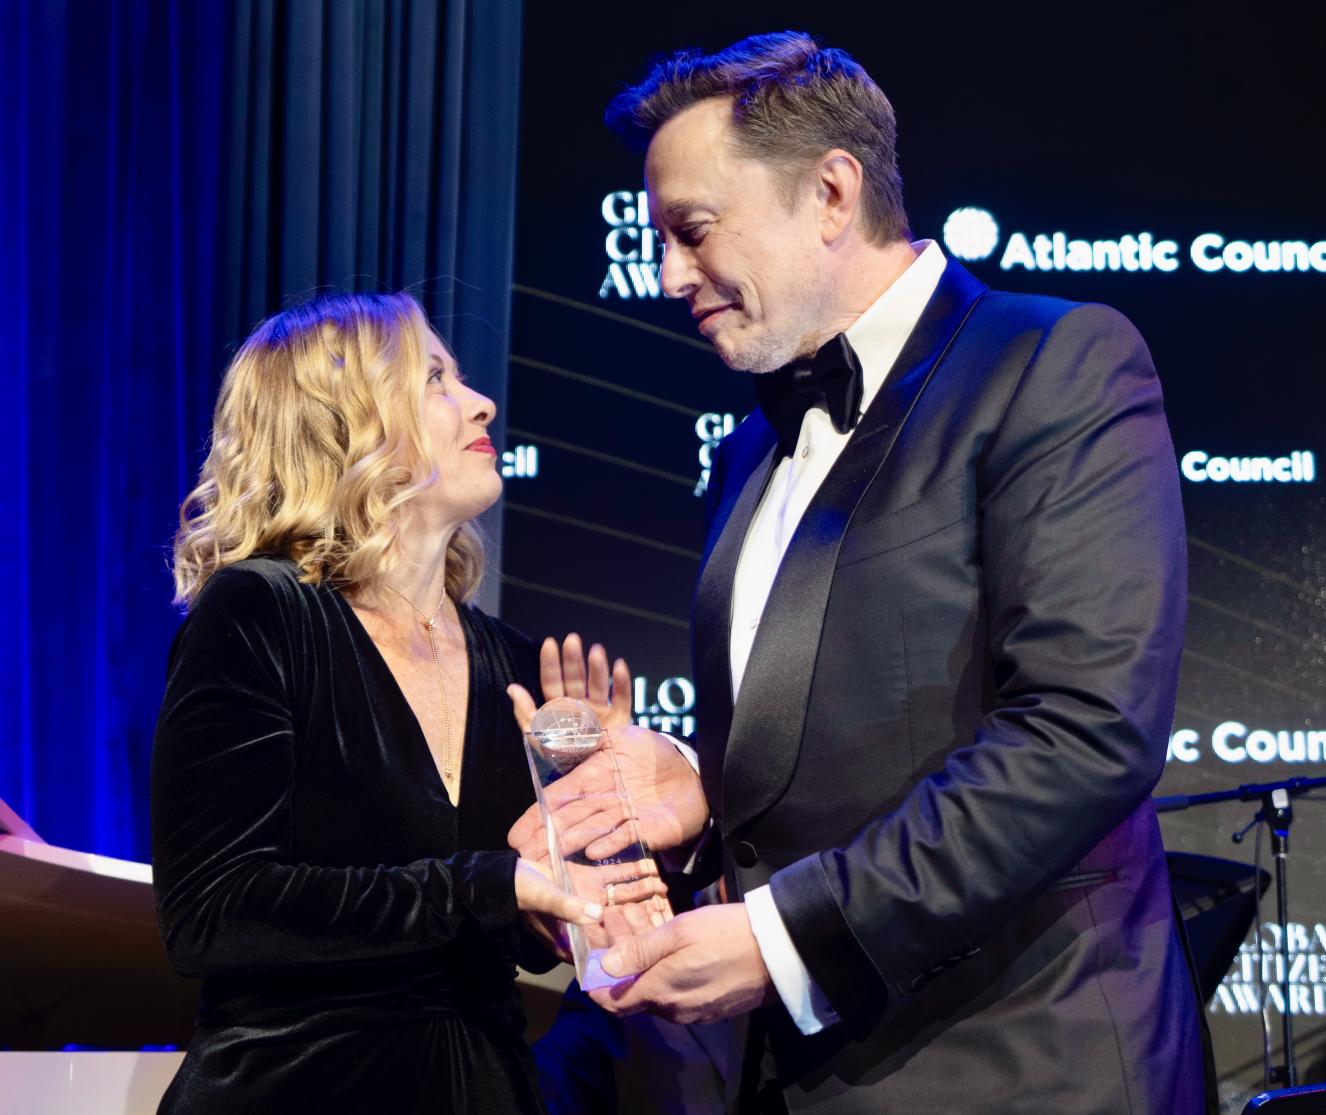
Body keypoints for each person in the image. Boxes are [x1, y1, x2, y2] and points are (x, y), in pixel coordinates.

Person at [511, 31, 1209, 1114]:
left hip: (1023, 1072)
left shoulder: (1053, 362)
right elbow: (834, 748)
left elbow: (1083, 733)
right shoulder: (752, 445)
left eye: (692, 231)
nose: (669, 276)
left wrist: (786, 940)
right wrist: (699, 786)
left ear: (831, 194)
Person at [150, 292, 642, 1114]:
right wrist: (486, 886)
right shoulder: (260, 614)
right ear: (343, 424)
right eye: (436, 379)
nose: (481, 403)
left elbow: (529, 928)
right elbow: (212, 912)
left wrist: (594, 843)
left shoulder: (514, 664)